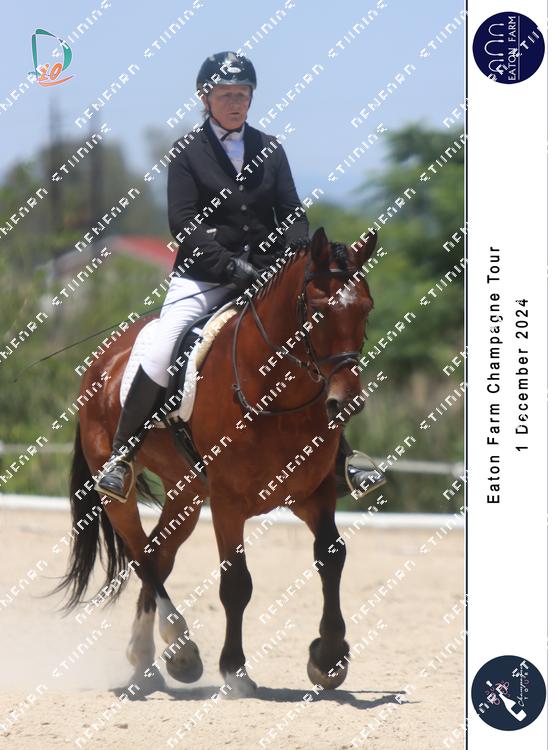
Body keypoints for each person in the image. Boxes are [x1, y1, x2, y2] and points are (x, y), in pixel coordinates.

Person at [95, 51, 385, 504]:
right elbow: (184, 223)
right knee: (161, 345)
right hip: (204, 277)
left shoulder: (270, 148)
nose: (236, 103)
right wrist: (230, 266)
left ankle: (343, 457)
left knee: (310, 344)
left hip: (267, 277)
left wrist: (294, 257)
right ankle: (122, 455)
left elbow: (292, 213)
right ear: (205, 98)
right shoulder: (187, 152)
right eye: (226, 95)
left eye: (243, 94)